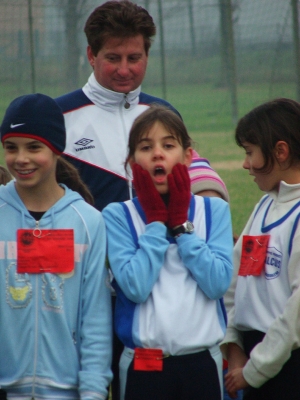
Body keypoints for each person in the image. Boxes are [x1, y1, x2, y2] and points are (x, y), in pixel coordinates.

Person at [55, 2, 229, 398]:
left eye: (135, 58)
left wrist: (199, 211)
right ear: (91, 55)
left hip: (171, 304)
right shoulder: (60, 116)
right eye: (112, 58)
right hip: (91, 297)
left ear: (147, 55)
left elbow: (197, 174)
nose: (124, 69)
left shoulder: (161, 112)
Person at [102, 105, 233, 400]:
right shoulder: (117, 215)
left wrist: (182, 227)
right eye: (146, 147)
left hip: (201, 363)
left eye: (168, 145)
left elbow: (217, 284)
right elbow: (135, 287)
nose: (157, 154)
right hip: (143, 364)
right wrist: (157, 224)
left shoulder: (213, 210)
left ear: (187, 156)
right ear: (132, 161)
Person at [0, 93, 112, 399]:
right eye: (11, 147)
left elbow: (96, 319)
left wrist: (92, 392)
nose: (21, 159)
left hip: (67, 390)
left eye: (34, 147)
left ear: (56, 148)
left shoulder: (88, 221)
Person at [222, 98, 300, 400]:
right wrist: (234, 346)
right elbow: (234, 279)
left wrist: (256, 369)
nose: (245, 164)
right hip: (250, 362)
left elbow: (295, 314)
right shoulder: (266, 203)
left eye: (249, 152)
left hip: (286, 365)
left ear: (280, 152)